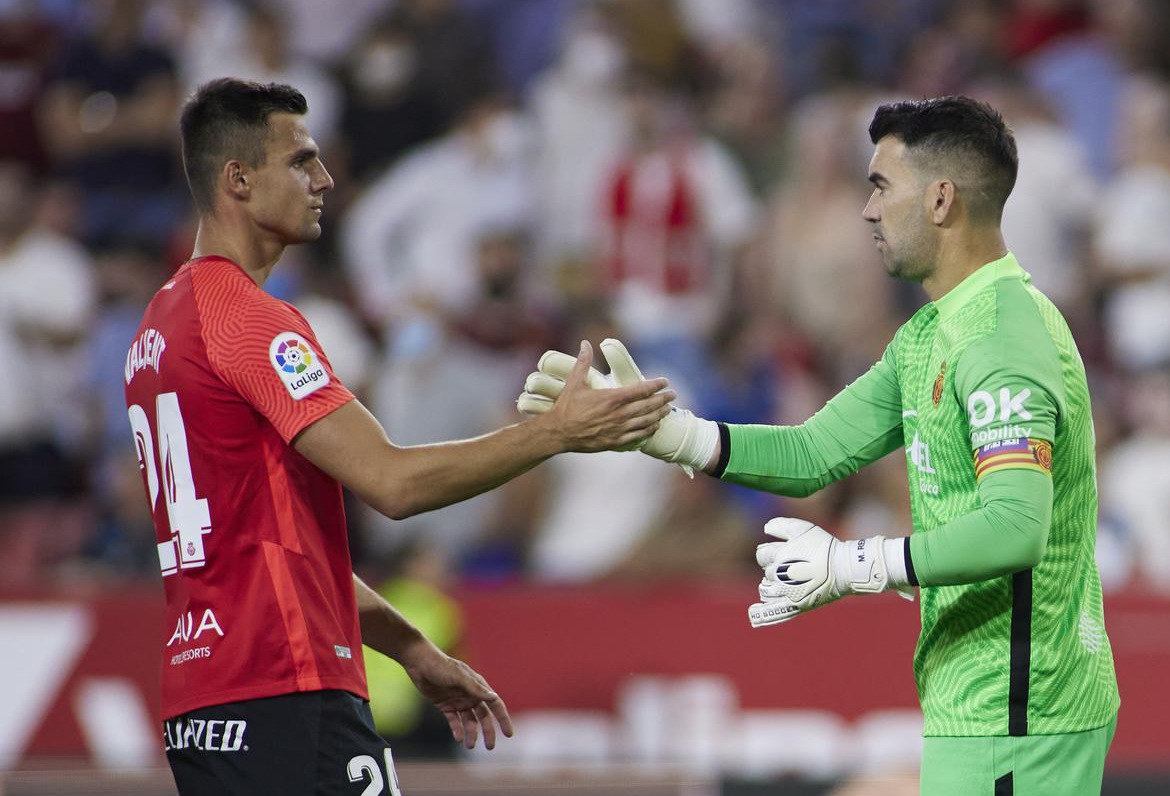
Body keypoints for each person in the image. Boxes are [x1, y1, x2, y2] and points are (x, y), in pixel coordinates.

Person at [519, 96, 1120, 795]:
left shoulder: (1000, 339)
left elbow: (1017, 528)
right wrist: (672, 433)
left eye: (881, 186)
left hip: (1024, 708)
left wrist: (853, 563)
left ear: (941, 199)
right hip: (984, 701)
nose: (867, 210)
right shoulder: (931, 334)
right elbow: (813, 454)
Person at [124, 78, 674, 795]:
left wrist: (410, 646)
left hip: (205, 705)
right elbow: (393, 482)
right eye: (302, 160)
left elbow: (272, 552)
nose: (324, 179)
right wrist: (555, 433)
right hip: (288, 692)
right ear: (239, 179)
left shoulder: (157, 329)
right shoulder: (251, 321)